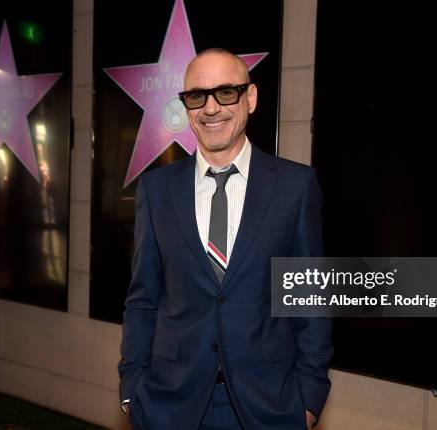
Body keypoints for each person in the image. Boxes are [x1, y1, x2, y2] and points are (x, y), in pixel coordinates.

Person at [118, 48, 332, 430]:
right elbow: (143, 298)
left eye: (226, 92)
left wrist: (309, 398)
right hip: (169, 404)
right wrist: (132, 387)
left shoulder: (295, 186)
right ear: (186, 106)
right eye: (197, 96)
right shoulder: (155, 189)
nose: (211, 108)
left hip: (269, 404)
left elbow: (309, 300)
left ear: (250, 97)